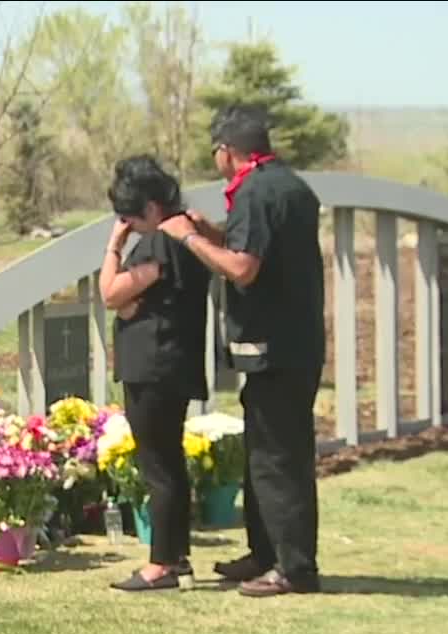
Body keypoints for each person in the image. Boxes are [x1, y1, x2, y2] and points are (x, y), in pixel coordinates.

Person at [157, 105, 325, 598]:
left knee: (277, 459)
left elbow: (243, 267)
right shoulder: (291, 185)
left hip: (275, 347)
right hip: (298, 341)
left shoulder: (252, 191)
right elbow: (259, 248)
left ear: (227, 152)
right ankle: (266, 552)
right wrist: (212, 231)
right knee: (267, 452)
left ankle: (295, 568)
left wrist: (187, 237)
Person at [99, 155, 211, 593]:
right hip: (176, 361)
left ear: (150, 207)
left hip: (153, 366)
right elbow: (127, 299)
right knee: (172, 462)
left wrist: (113, 248)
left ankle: (161, 563)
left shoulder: (159, 243)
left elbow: (111, 293)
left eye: (128, 215)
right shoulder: (187, 235)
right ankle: (177, 554)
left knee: (157, 466)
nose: (125, 222)